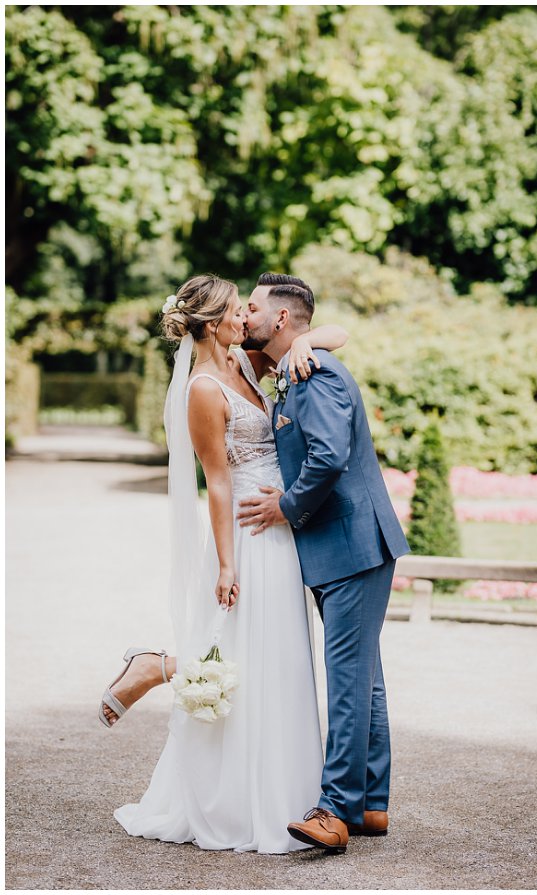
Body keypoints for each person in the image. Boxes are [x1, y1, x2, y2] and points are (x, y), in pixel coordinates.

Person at [100, 273, 349, 854]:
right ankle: (161, 669)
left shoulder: (247, 361)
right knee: (241, 651)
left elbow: (333, 331)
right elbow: (215, 481)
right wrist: (226, 566)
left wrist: (311, 343)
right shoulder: (204, 390)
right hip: (245, 530)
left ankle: (161, 667)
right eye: (238, 310)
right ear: (214, 324)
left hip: (280, 523)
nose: (247, 316)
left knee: (274, 655)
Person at [236, 273, 410, 852]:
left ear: (282, 319)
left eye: (253, 307)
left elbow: (330, 456)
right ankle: (371, 805)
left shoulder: (317, 370)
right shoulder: (293, 365)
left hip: (352, 547)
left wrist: (286, 506)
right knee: (365, 681)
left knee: (346, 682)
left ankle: (334, 811)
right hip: (343, 547)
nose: (244, 315)